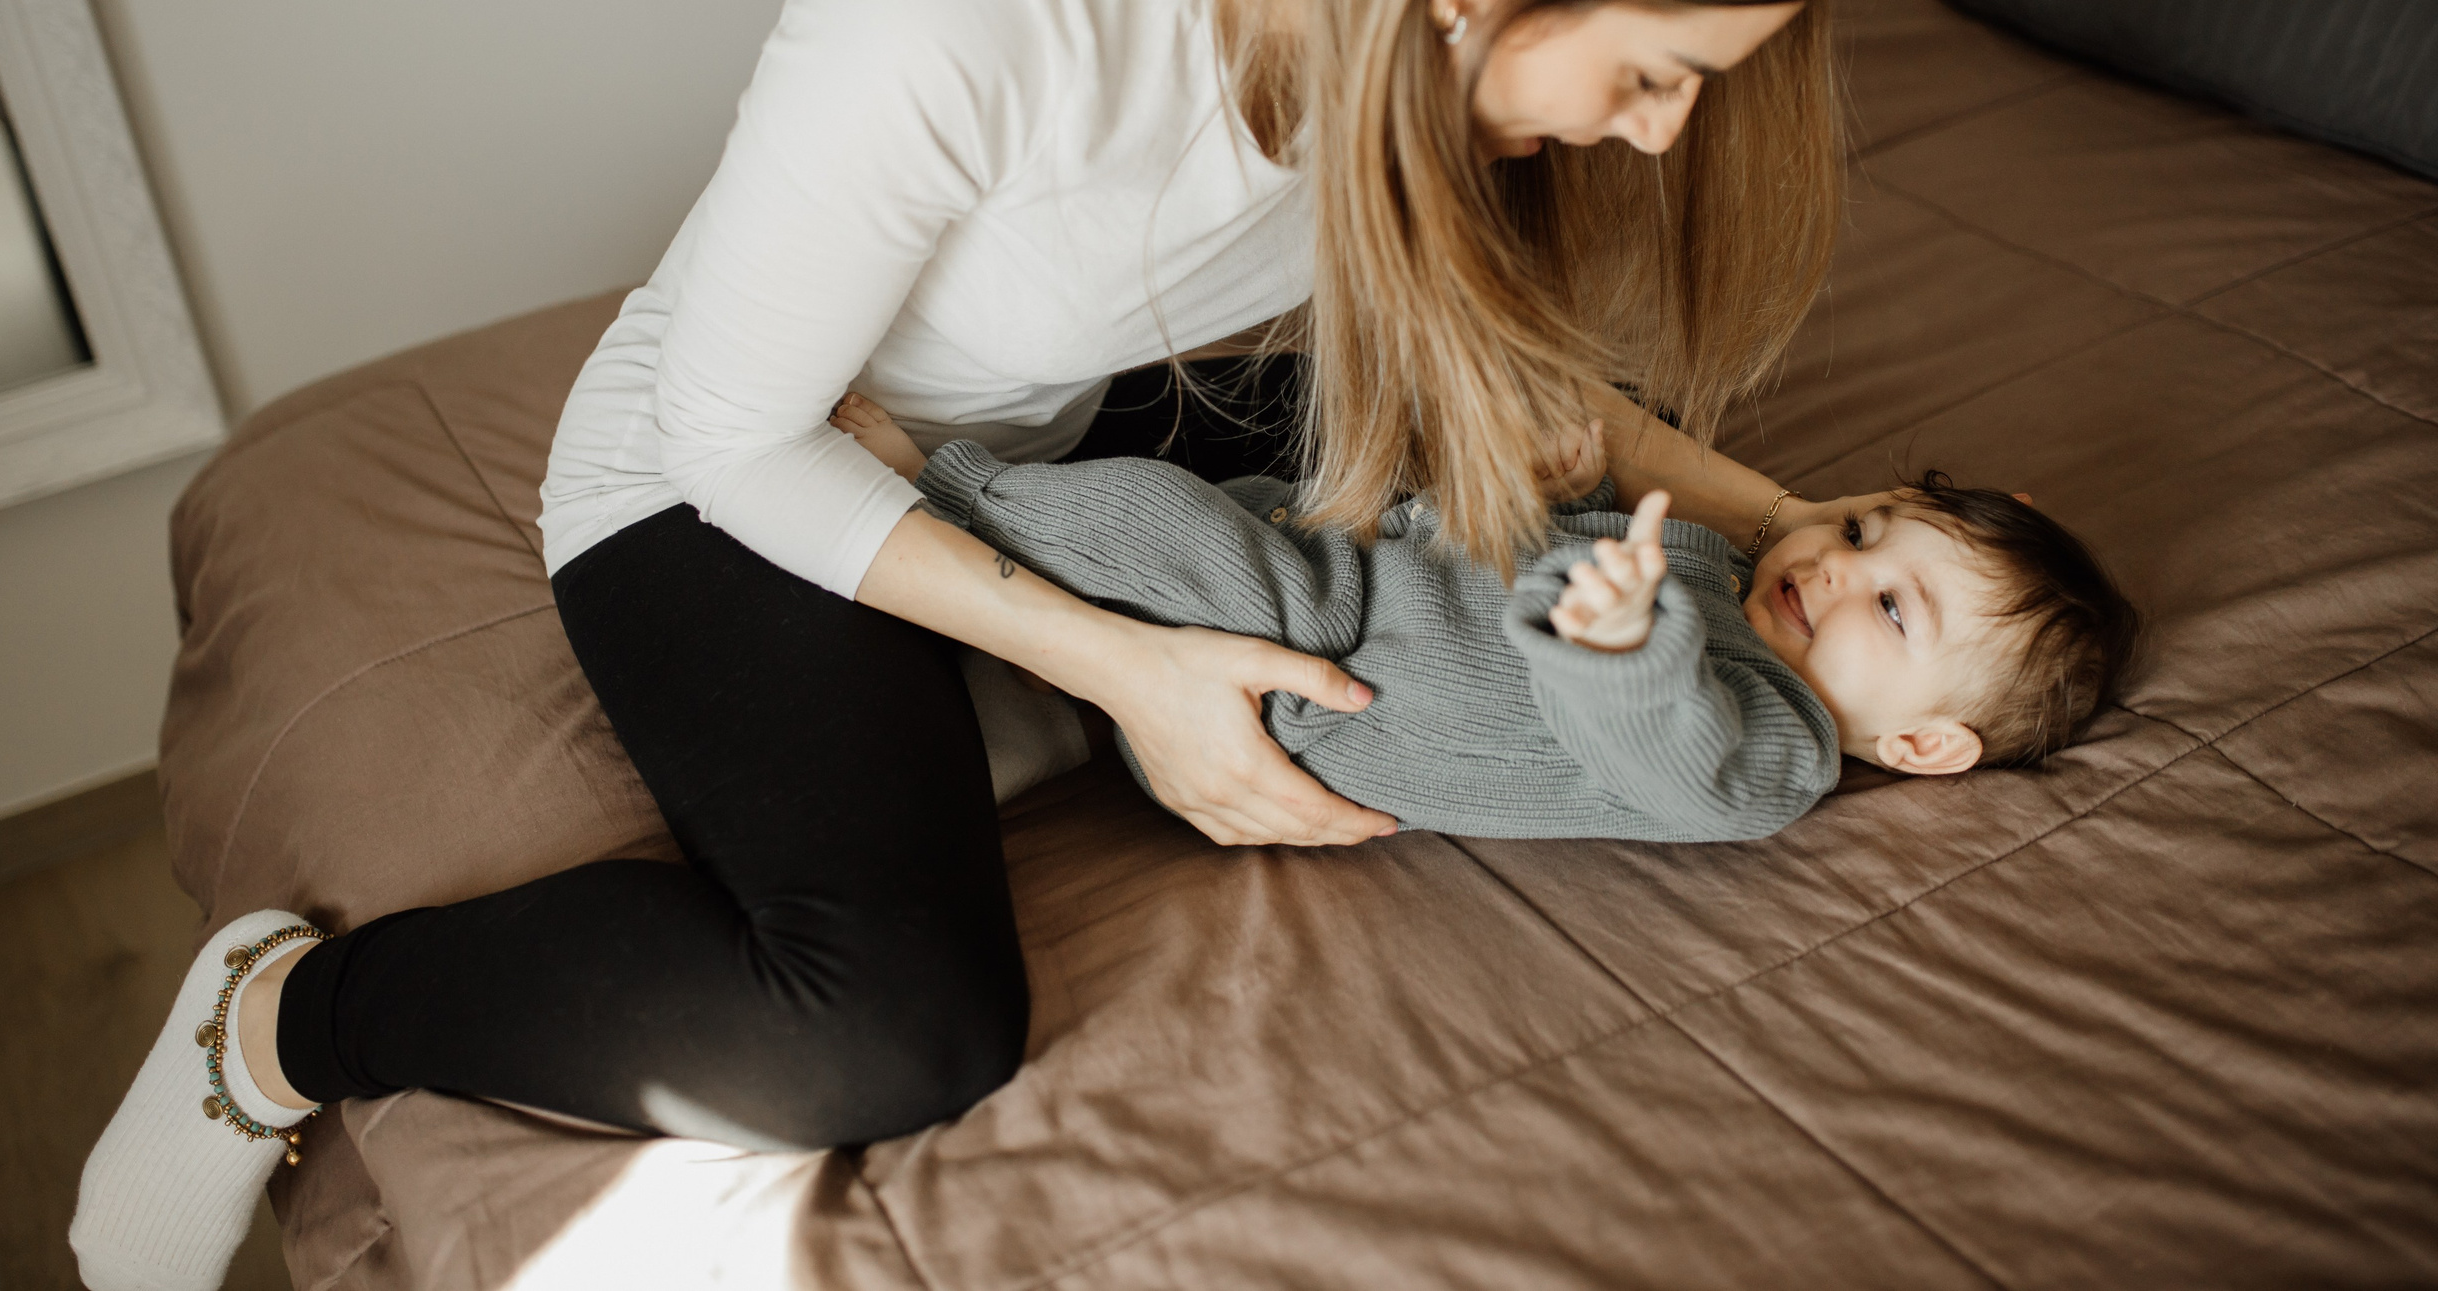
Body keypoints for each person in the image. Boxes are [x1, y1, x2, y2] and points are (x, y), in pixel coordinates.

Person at [74, 0, 1876, 1286]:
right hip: (735, 479)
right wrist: (1131, 672)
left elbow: (1504, 385)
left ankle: (1020, 673)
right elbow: (728, 432)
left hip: (1043, 424)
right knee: (891, 1029)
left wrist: (1801, 520)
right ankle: (282, 1025)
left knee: (1527, 446)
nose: (1659, 135)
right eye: (1657, 73)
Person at [835, 393, 2140, 839]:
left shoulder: (1780, 759)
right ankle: (1035, 662)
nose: (1840, 570)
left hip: (1323, 668)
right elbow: (1539, 554)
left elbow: (1662, 748)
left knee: (1158, 520)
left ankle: (938, 494)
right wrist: (1564, 494)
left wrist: (1623, 647)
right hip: (1352, 570)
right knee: (1221, 515)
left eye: (1894, 609)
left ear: (1922, 744)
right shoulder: (1737, 587)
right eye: (1859, 531)